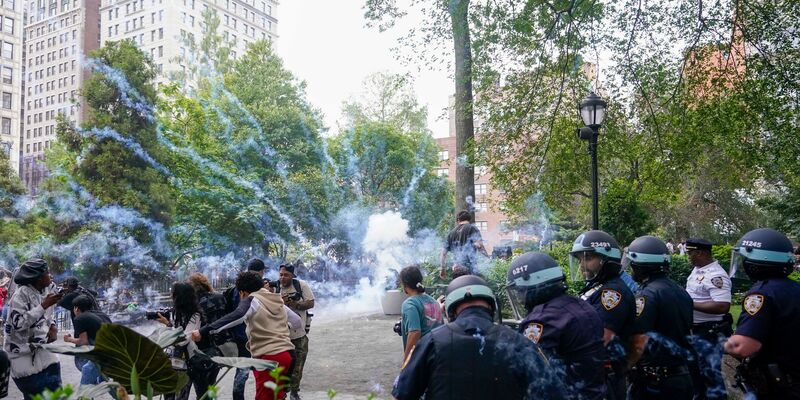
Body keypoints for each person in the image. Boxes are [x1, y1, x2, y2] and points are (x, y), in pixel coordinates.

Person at [393, 275, 563, 399]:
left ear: (450, 309)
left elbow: (402, 393)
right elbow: (552, 393)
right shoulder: (520, 342)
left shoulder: (431, 341)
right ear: (491, 305)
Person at [508, 251, 606, 400]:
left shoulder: (541, 320)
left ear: (534, 285)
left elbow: (527, 370)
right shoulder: (582, 305)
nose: (520, 299)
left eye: (521, 291)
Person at [724, 228, 800, 399]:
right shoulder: (795, 288)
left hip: (780, 387)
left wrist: (722, 343)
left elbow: (742, 347)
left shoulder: (761, 293)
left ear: (757, 262)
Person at [624, 236, 694, 400]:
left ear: (639, 265)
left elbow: (639, 341)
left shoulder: (647, 294)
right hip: (682, 376)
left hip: (657, 383)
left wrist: (624, 367)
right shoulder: (680, 291)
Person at [211, 271, 300, 400]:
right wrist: (282, 329)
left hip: (268, 358)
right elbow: (297, 322)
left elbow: (236, 317)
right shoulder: (276, 300)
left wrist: (207, 330)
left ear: (242, 293)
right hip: (287, 356)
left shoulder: (252, 301)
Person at [569, 230, 636, 400]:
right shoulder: (597, 287)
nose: (582, 265)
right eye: (580, 259)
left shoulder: (612, 292)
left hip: (605, 376)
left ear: (606, 260)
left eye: (588, 258)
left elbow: (602, 338)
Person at [4, 259, 62, 400]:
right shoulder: (20, 296)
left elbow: (50, 312)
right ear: (39, 278)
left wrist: (53, 325)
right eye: (47, 273)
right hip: (23, 356)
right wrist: (43, 306)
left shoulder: (49, 288)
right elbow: (18, 324)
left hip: (44, 352)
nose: (50, 275)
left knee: (57, 394)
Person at [684, 237, 732, 400]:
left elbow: (722, 305)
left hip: (710, 331)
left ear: (701, 253)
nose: (688, 256)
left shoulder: (716, 275)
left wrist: (689, 304)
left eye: (690, 253)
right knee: (696, 373)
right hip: (696, 330)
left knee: (710, 376)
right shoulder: (698, 270)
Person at [156, 282, 219, 400]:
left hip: (192, 362)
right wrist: (168, 324)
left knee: (199, 395)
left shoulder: (195, 315)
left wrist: (169, 329)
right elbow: (177, 333)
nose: (171, 297)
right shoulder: (176, 312)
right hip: (176, 360)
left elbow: (183, 340)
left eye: (173, 294)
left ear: (179, 296)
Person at [276, 264, 315, 400]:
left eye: (286, 275)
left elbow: (310, 303)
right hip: (280, 336)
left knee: (298, 367)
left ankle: (294, 392)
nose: (282, 277)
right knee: (281, 367)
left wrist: (294, 304)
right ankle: (282, 393)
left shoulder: (301, 285)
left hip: (299, 335)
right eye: (281, 274)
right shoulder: (274, 288)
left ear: (292, 276)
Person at [398, 265, 443, 362]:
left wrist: (406, 361)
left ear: (405, 285)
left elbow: (415, 333)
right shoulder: (433, 301)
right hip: (440, 354)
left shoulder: (410, 304)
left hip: (423, 357)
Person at [63, 295, 111, 385]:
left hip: (102, 354)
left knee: (87, 373)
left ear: (76, 308)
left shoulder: (80, 318)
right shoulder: (102, 314)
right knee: (104, 384)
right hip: (112, 352)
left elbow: (83, 341)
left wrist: (69, 339)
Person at [439, 210, 488, 278]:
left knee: (459, 287)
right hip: (469, 268)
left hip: (456, 268)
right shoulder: (472, 228)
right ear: (469, 219)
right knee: (470, 287)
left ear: (458, 220)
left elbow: (443, 253)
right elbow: (479, 245)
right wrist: (487, 258)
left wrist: (442, 268)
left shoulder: (451, 233)